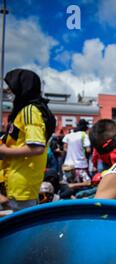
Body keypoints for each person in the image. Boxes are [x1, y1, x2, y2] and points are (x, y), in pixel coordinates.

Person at [0, 69, 56, 211]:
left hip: (22, 182)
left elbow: (37, 147)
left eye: (11, 88)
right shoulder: (25, 110)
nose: (8, 92)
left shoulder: (30, 111)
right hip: (17, 180)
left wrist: (5, 150)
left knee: (21, 229)